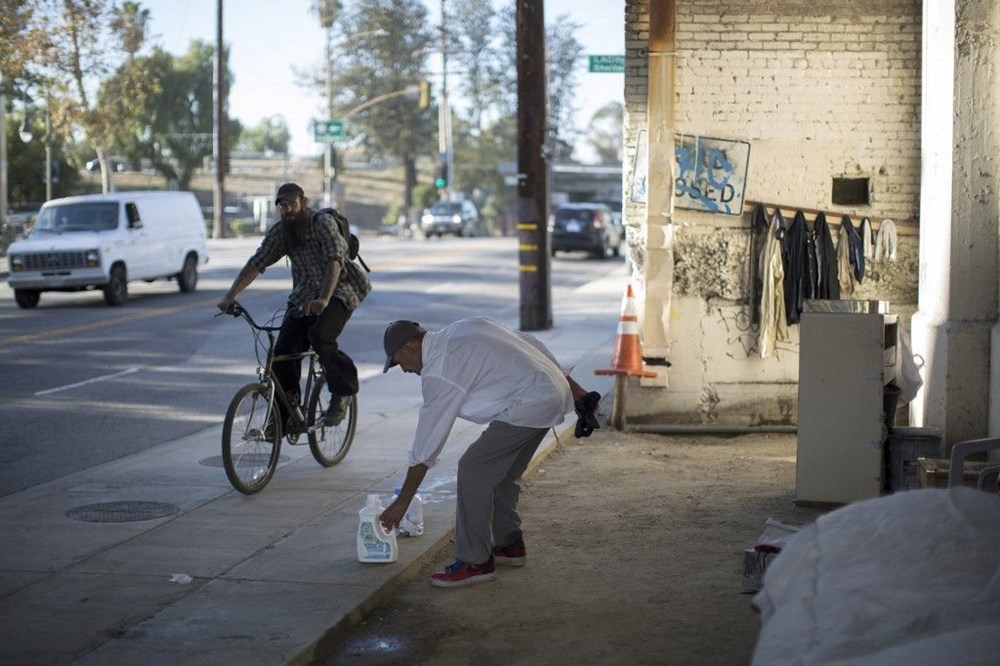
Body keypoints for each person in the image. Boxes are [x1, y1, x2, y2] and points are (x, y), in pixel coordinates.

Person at [378, 317, 597, 588]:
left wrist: (402, 502)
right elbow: (531, 344)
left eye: (398, 362)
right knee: (502, 474)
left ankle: (475, 562)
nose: (404, 370)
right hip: (549, 393)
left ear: (408, 348)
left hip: (529, 403)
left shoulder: (438, 370)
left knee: (473, 469)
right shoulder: (464, 326)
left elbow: (425, 447)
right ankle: (509, 546)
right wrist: (576, 391)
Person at [218, 183, 371, 427]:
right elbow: (256, 263)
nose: (288, 209)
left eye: (292, 203)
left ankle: (343, 392)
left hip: (340, 291)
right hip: (303, 298)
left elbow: (335, 262)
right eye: (283, 205)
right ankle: (285, 415)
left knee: (320, 336)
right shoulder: (282, 232)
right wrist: (230, 295)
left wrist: (323, 298)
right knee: (281, 355)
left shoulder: (322, 224)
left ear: (304, 201)